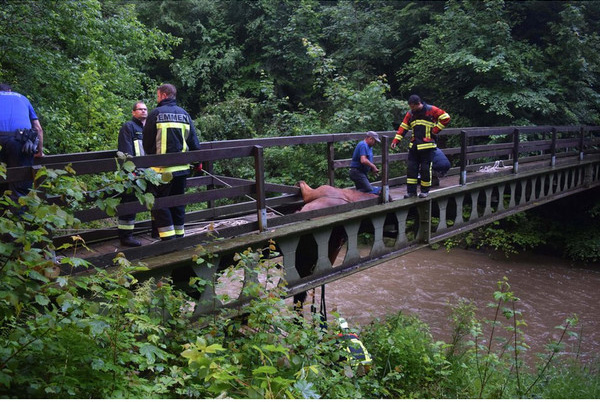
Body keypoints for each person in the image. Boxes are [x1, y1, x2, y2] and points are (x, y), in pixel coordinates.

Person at [143, 84, 201, 241]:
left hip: (161, 171)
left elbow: (147, 144)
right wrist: (197, 162)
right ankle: (180, 236)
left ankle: (168, 240)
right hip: (182, 169)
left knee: (160, 204)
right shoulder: (184, 114)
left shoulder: (155, 114)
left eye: (157, 95)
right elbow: (194, 142)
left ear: (162, 95)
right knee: (178, 203)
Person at [391, 94, 450, 198]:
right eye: (410, 107)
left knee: (425, 169)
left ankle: (425, 191)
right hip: (414, 146)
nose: (411, 109)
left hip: (427, 146)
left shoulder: (431, 110)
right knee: (411, 169)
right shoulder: (410, 114)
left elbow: (446, 118)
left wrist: (435, 130)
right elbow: (403, 127)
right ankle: (411, 192)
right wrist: (396, 140)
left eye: (412, 106)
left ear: (418, 104)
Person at [0, 83, 44, 198]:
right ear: (9, 90)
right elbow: (38, 128)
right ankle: (19, 214)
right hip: (20, 143)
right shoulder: (22, 98)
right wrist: (39, 151)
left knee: (2, 181)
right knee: (20, 186)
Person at [116, 101, 147, 247]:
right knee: (129, 203)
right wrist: (130, 171)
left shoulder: (149, 128)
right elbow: (125, 150)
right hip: (134, 173)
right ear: (133, 112)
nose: (143, 111)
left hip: (150, 172)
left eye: (145, 109)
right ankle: (126, 236)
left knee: (155, 201)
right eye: (140, 109)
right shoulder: (128, 127)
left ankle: (156, 230)